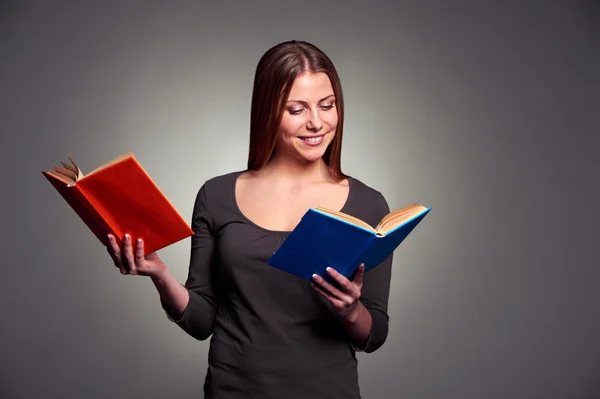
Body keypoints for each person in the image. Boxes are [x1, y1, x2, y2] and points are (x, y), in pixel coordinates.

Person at [106, 40, 394, 399]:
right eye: (296, 109)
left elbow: (375, 332)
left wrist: (351, 311)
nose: (316, 122)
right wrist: (160, 275)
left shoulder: (368, 205)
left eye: (327, 105)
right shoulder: (217, 195)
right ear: (268, 112)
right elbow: (201, 321)